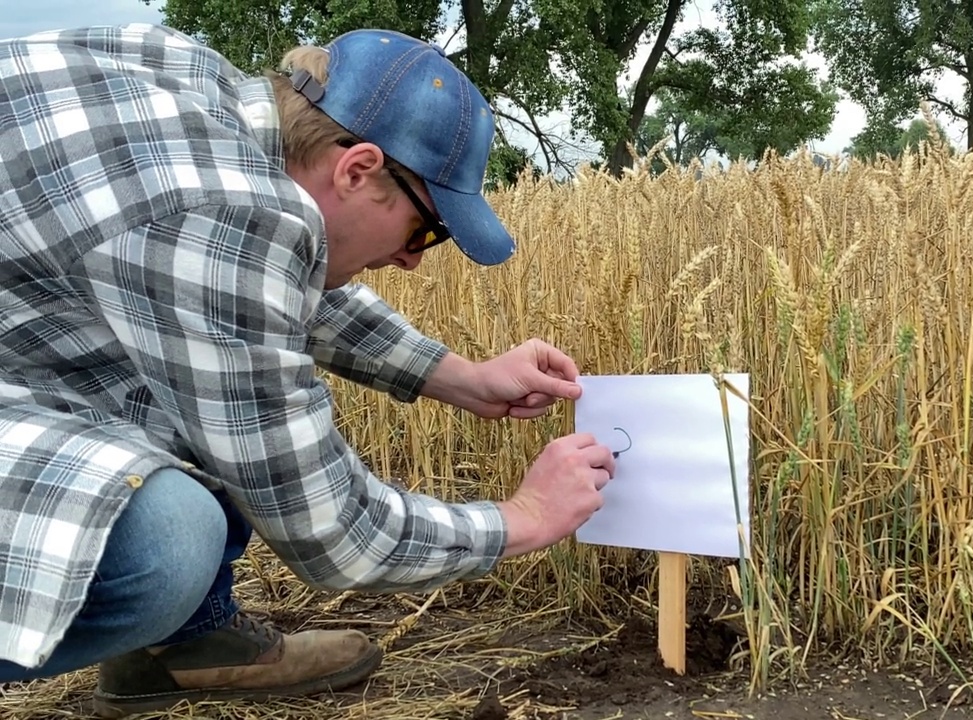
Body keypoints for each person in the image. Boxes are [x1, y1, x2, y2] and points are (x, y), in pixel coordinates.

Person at [0, 21, 617, 718]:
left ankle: (188, 647)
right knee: (166, 542)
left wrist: (460, 377)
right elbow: (335, 534)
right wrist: (522, 519)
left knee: (193, 379)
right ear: (357, 168)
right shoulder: (220, 211)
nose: (414, 259)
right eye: (426, 230)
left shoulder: (197, 85)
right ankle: (174, 628)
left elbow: (252, 292)